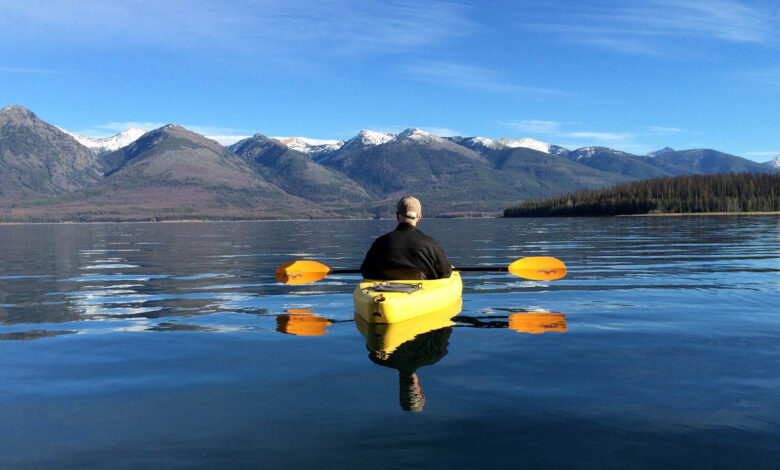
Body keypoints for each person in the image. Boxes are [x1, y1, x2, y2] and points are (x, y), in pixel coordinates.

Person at [360, 196, 452, 280]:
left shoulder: (380, 243)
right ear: (419, 218)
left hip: (387, 294)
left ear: (397, 216)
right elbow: (446, 272)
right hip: (422, 294)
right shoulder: (431, 244)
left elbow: (366, 272)